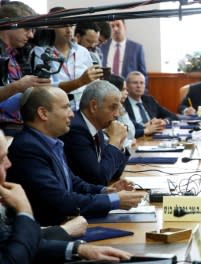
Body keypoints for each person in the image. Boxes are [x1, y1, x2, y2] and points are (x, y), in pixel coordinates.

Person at [0, 129, 131, 264]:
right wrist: (25, 212)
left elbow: (16, 242)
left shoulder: (53, 143)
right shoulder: (29, 146)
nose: (8, 164)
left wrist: (79, 249)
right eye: (1, 159)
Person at [7, 86, 146, 226]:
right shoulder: (27, 148)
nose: (72, 114)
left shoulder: (52, 142)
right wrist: (114, 200)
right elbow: (60, 200)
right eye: (66, 107)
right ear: (43, 113)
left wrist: (106, 191)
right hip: (47, 232)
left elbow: (72, 182)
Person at [59, 81, 130, 186]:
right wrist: (114, 142)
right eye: (113, 107)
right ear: (93, 106)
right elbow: (98, 180)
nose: (117, 114)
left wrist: (119, 142)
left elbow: (115, 172)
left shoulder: (97, 126)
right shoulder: (75, 130)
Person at [33, 7, 104, 110]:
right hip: (56, 110)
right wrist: (80, 81)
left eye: (71, 25)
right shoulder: (41, 52)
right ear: (50, 26)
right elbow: (46, 89)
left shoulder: (82, 51)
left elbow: (94, 84)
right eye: (64, 25)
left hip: (85, 111)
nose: (69, 30)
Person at [0, 1, 51, 135]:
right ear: (7, 23)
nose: (31, 35)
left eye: (33, 30)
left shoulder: (14, 55)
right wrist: (18, 86)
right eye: (27, 29)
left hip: (16, 127)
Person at [124, 71, 178, 137]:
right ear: (127, 86)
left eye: (142, 83)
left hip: (154, 136)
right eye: (135, 83)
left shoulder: (149, 100)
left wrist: (164, 121)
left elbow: (174, 116)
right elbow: (127, 127)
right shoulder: (123, 103)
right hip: (137, 138)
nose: (139, 86)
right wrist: (146, 126)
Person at [104, 74, 136, 146]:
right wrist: (129, 143)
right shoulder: (105, 112)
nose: (127, 93)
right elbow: (108, 141)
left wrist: (121, 110)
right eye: (123, 89)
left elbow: (131, 134)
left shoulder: (121, 107)